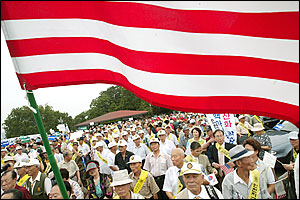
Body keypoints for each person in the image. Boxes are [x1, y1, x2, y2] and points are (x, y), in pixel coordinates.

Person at [282, 131, 299, 199]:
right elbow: (291, 161)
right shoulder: (293, 150)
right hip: (293, 174)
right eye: (290, 140)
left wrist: (293, 167)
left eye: (294, 140)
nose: (292, 142)